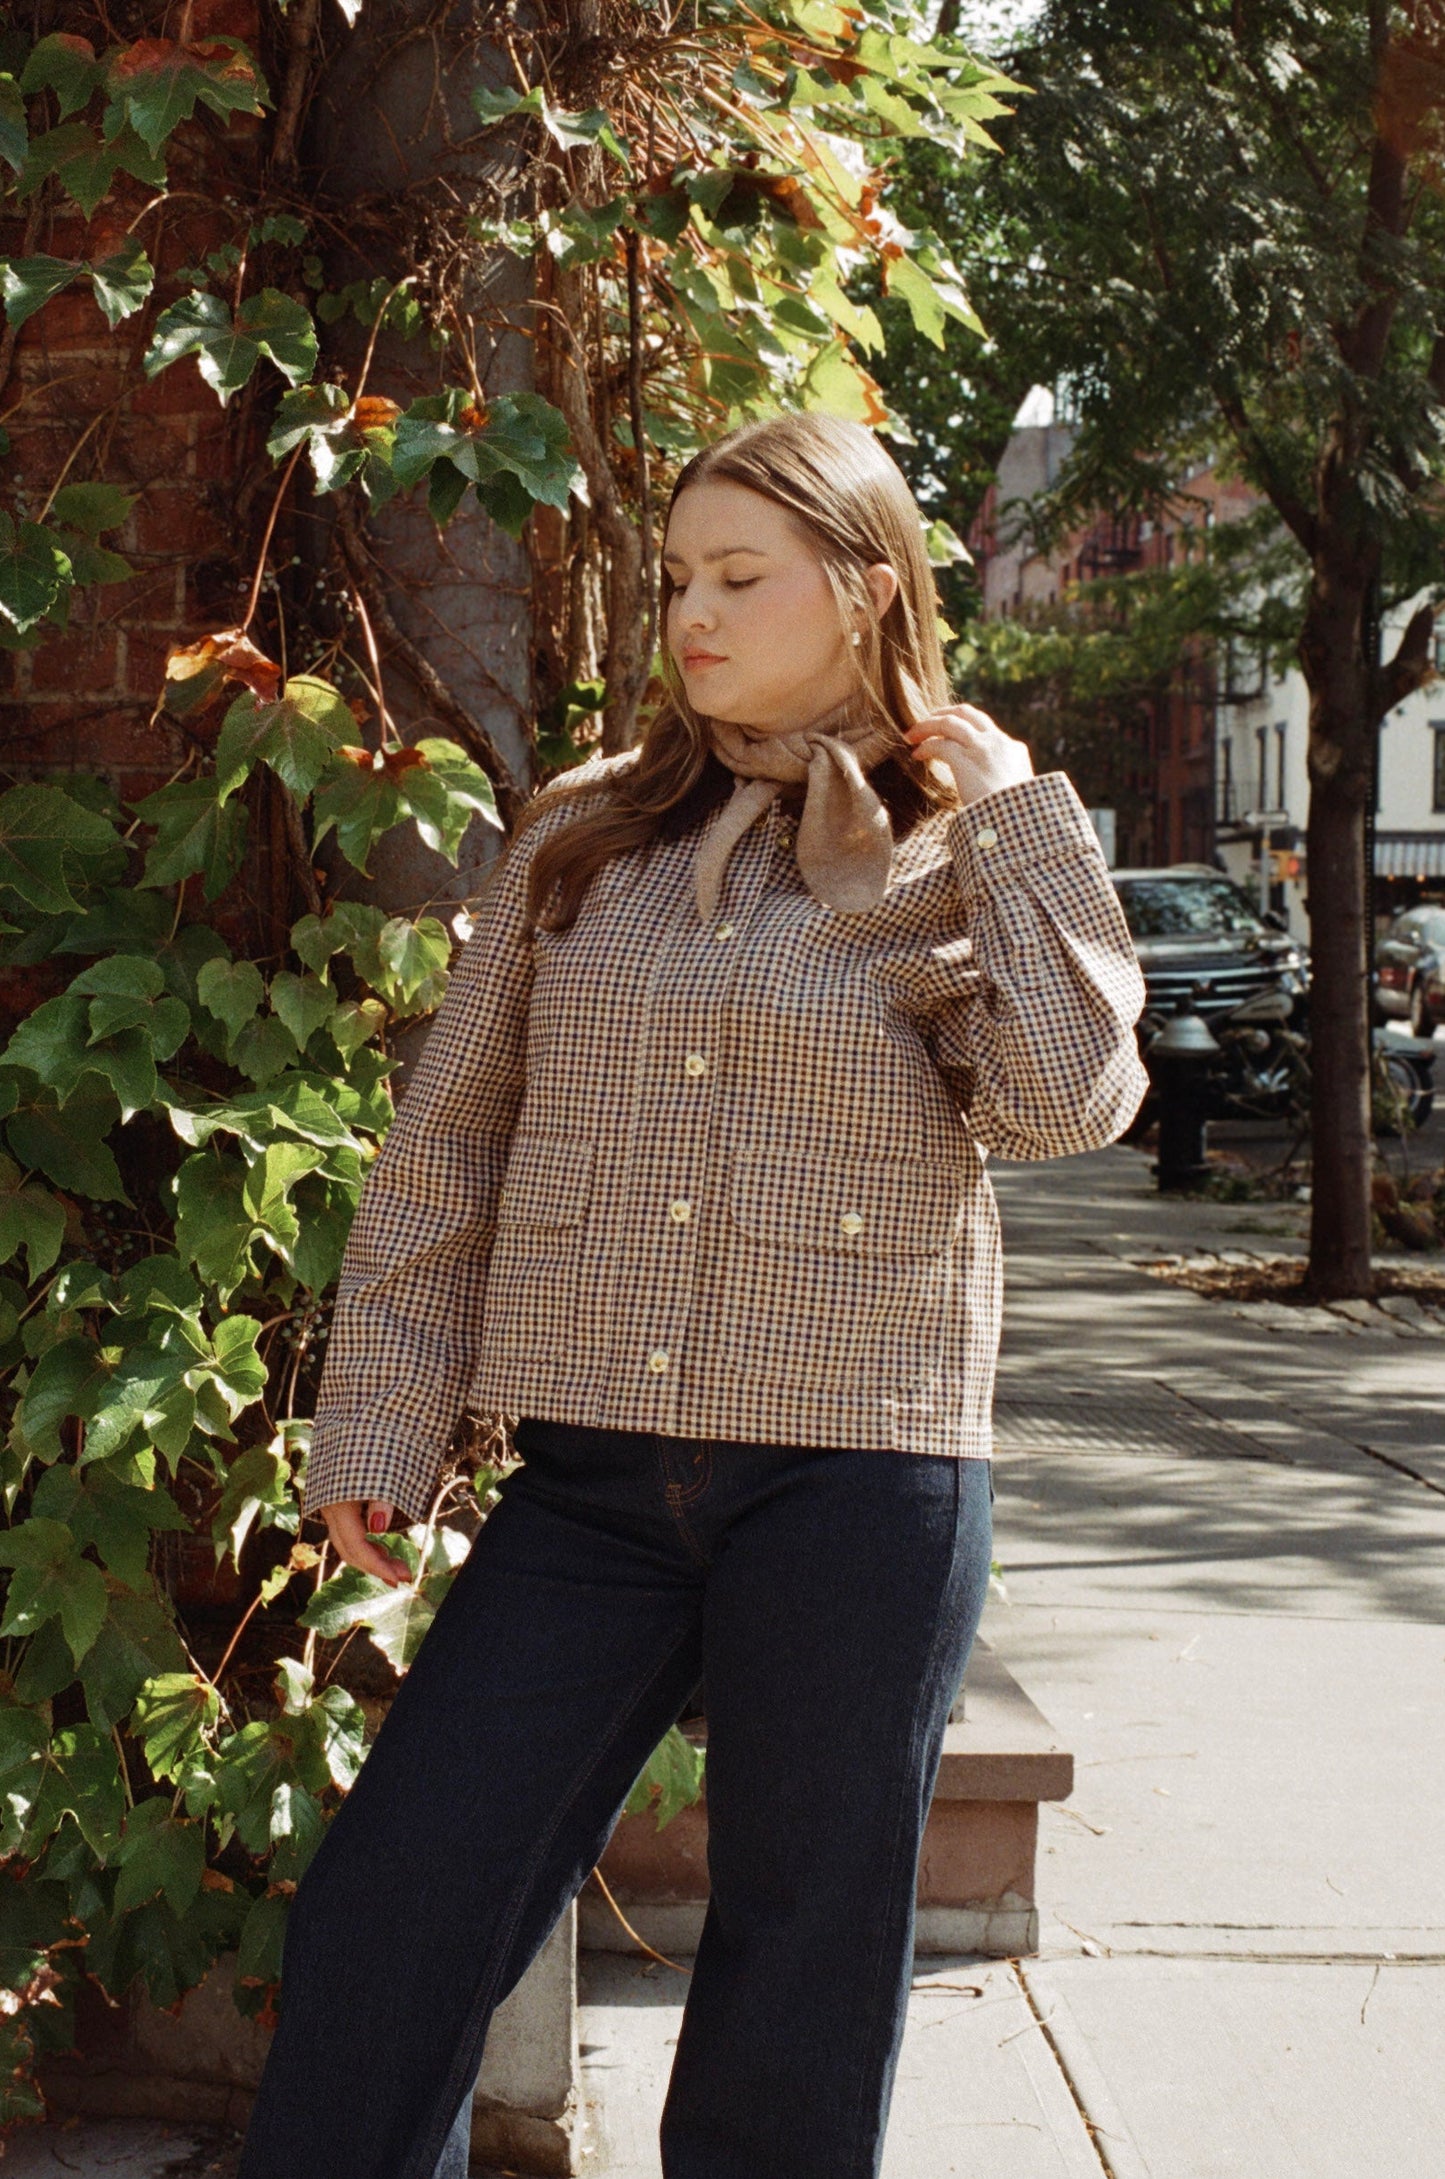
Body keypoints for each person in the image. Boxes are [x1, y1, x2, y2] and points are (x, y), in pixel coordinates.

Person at [237, 411, 1148, 2179]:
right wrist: (385, 1418)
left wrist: (1018, 822)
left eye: (738, 577)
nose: (691, 617)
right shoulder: (589, 831)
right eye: (675, 580)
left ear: (864, 588)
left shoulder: (966, 853)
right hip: (590, 1479)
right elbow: (447, 1148)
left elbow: (1066, 1106)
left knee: (796, 1980)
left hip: (856, 1478)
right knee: (394, 1909)